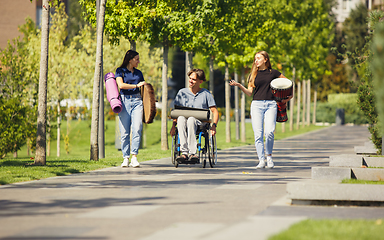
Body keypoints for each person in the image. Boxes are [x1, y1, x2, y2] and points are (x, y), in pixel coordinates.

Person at [229, 51, 292, 169]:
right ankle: (261, 160)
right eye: (255, 59)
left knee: (269, 132)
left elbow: (288, 83)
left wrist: (289, 96)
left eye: (258, 58)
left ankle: (269, 157)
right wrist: (239, 85)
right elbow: (249, 93)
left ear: (265, 59)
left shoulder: (273, 73)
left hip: (271, 104)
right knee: (258, 134)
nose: (256, 61)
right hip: (256, 105)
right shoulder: (253, 74)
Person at [170, 69, 219, 163]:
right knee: (180, 118)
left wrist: (214, 126)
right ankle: (184, 153)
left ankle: (193, 153)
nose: (190, 81)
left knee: (191, 119)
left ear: (200, 81)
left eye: (193, 79)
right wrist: (173, 126)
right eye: (190, 78)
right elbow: (176, 112)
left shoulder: (206, 94)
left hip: (200, 123)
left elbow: (215, 111)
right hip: (183, 121)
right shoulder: (182, 93)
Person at [115, 50, 147, 168]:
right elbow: (121, 85)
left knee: (137, 128)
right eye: (137, 59)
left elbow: (143, 88)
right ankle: (125, 157)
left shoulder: (139, 73)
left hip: (137, 101)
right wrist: (135, 86)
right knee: (124, 132)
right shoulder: (120, 71)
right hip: (124, 101)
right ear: (130, 59)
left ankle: (134, 157)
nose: (138, 61)